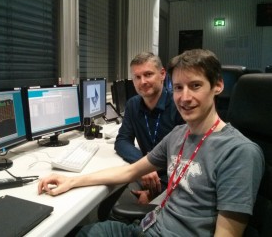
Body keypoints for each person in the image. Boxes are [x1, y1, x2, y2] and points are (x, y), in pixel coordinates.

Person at [38, 49, 265, 236]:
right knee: (83, 233)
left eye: (195, 86)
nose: (184, 97)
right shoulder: (179, 134)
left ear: (217, 86)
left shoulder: (239, 152)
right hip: (149, 227)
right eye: (178, 88)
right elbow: (129, 172)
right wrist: (71, 180)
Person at [114, 52, 183, 203]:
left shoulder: (179, 104)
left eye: (148, 74)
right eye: (137, 77)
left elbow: (186, 159)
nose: (142, 81)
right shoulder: (133, 104)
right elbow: (122, 141)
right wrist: (143, 165)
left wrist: (153, 192)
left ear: (162, 74)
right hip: (146, 175)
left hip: (175, 181)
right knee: (111, 199)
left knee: (118, 208)